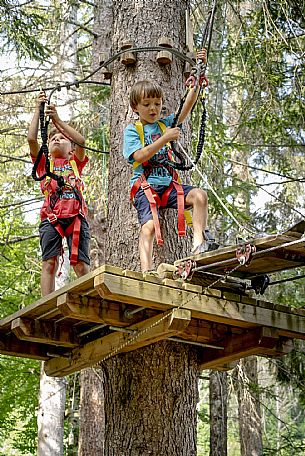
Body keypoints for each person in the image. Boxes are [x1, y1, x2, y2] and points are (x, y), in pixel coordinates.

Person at [123, 49, 218, 273]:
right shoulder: (132, 130)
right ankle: (146, 272)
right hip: (144, 186)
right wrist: (164, 139)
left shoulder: (166, 123)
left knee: (199, 195)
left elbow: (186, 107)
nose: (153, 108)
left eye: (157, 103)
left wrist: (198, 74)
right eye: (147, 104)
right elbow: (138, 156)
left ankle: (198, 245)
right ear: (136, 107)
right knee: (147, 227)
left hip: (168, 184)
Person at [28, 91, 90, 296]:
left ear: (71, 149)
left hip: (76, 217)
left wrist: (57, 119)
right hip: (51, 217)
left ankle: (89, 298)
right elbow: (31, 139)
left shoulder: (75, 162)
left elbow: (80, 140)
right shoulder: (45, 165)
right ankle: (45, 302)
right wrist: (39, 110)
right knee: (49, 263)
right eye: (53, 137)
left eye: (61, 138)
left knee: (80, 264)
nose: (56, 139)